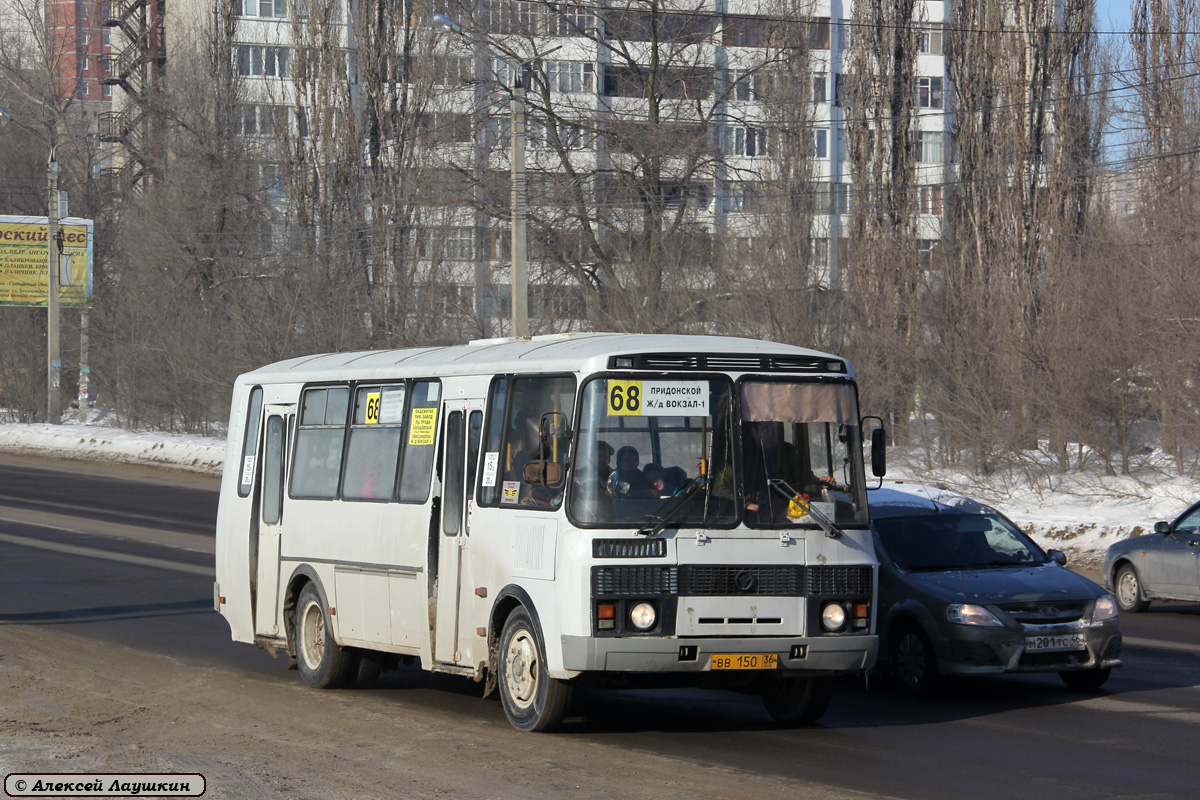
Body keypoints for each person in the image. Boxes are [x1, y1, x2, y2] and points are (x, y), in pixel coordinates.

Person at [743, 421, 835, 521]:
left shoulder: (787, 451)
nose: (771, 433)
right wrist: (745, 504)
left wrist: (820, 484)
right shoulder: (743, 456)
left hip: (786, 513)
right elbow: (725, 489)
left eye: (774, 428)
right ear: (754, 432)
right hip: (754, 517)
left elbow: (804, 479)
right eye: (765, 429)